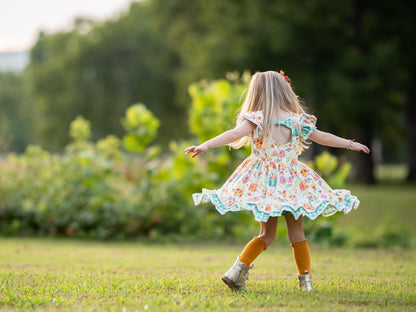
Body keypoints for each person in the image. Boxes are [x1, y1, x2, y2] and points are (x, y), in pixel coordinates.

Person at [184, 70, 370, 292]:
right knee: (297, 234)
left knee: (266, 234)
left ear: (257, 93)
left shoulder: (257, 118)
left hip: (267, 185)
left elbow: (233, 134)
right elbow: (323, 137)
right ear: (285, 91)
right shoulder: (297, 120)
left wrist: (206, 145)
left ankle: (236, 271)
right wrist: (351, 144)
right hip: (292, 184)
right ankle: (306, 283)